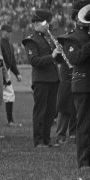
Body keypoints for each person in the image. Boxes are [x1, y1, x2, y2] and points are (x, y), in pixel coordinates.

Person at [21, 8, 62, 148]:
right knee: (41, 111)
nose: (47, 25)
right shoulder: (31, 41)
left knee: (51, 112)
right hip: (41, 80)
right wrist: (52, 56)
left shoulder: (48, 39)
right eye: (45, 22)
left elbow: (56, 59)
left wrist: (59, 53)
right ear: (36, 23)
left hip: (53, 79)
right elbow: (35, 61)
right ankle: (38, 141)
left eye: (48, 22)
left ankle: (46, 139)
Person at [53, 0, 90, 144]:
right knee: (64, 104)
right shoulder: (68, 37)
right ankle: (60, 134)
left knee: (77, 106)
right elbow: (59, 60)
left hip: (82, 75)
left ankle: (74, 133)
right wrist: (57, 52)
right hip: (69, 75)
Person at [69, 4, 90, 173]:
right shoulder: (73, 37)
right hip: (83, 85)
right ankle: (83, 161)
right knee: (84, 125)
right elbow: (75, 58)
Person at [0, 24, 22, 127]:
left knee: (9, 95)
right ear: (3, 31)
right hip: (0, 72)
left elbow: (11, 61)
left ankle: (10, 120)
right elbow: (1, 61)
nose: (9, 34)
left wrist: (17, 73)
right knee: (8, 95)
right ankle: (10, 120)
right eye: (7, 32)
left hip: (6, 72)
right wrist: (4, 76)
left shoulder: (9, 44)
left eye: (10, 32)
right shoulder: (0, 43)